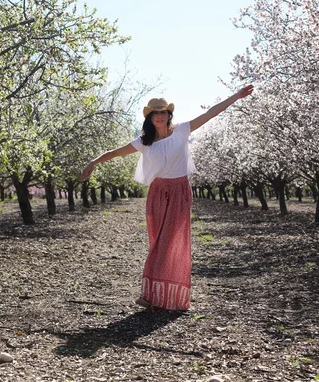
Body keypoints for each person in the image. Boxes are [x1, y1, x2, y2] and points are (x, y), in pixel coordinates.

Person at [80, 84, 254, 310]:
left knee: (171, 242)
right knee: (157, 242)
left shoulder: (182, 130)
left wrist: (236, 96)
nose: (160, 116)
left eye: (163, 112)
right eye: (155, 113)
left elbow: (211, 113)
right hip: (157, 192)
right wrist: (93, 162)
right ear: (150, 118)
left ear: (169, 115)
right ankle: (154, 295)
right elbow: (116, 152)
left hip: (179, 191)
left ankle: (161, 297)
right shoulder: (144, 141)